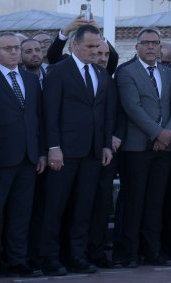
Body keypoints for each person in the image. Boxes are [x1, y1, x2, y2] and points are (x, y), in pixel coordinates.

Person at [38, 24, 116, 276]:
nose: (96, 51)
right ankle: (50, 258)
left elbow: (104, 113)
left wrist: (105, 145)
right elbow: (49, 113)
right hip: (64, 152)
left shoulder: (101, 74)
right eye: (90, 46)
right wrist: (53, 148)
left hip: (93, 152)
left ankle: (77, 256)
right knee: (55, 207)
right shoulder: (58, 72)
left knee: (84, 208)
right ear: (75, 46)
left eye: (98, 46)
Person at [0, 33, 45, 279]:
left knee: (21, 213)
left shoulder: (30, 79)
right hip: (0, 158)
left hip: (28, 158)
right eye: (8, 49)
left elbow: (38, 118)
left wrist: (41, 153)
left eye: (17, 48)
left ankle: (17, 260)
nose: (14, 52)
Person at [114, 27, 171, 267]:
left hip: (165, 148)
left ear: (161, 47)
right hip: (137, 148)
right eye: (146, 43)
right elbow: (133, 108)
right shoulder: (126, 72)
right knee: (134, 201)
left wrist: (167, 134)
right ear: (137, 46)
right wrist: (157, 133)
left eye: (155, 43)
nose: (151, 47)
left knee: (156, 202)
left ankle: (153, 251)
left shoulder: (169, 73)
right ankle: (130, 253)